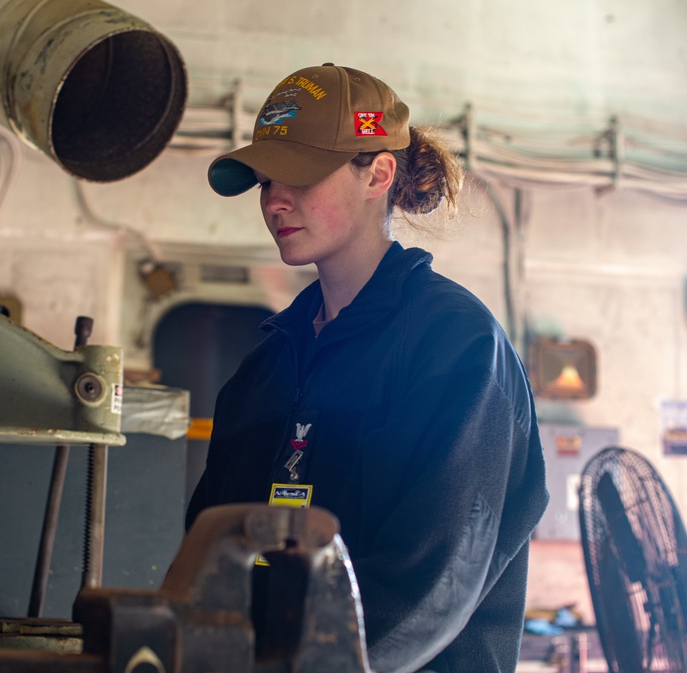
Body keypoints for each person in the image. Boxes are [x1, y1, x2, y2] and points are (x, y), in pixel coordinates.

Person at [186, 63, 549, 673]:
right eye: (266, 181)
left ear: (377, 172)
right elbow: (211, 554)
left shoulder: (455, 346)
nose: (275, 200)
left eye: (299, 177)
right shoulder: (265, 368)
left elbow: (436, 586)